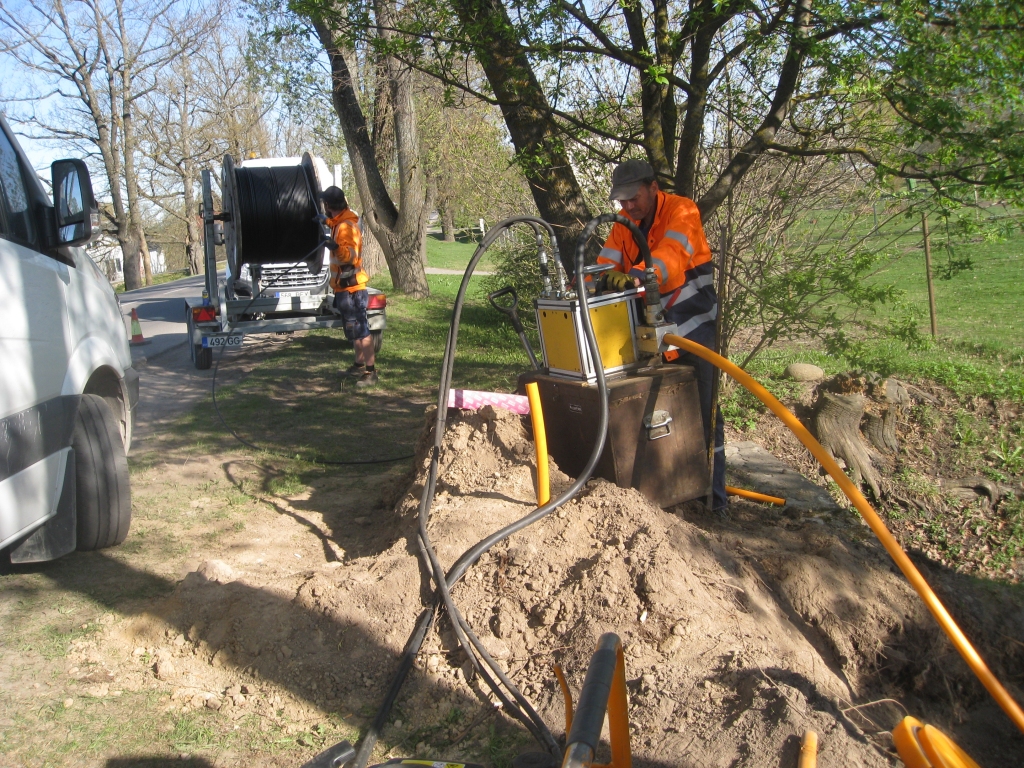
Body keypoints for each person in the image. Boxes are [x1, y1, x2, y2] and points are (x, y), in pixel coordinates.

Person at [598, 159, 727, 513]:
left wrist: (638, 275)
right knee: (655, 416)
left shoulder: (682, 210)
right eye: (621, 201)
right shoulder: (625, 226)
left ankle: (713, 504)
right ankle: (669, 499)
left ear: (653, 187)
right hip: (651, 338)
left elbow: (669, 259)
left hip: (693, 332)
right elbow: (604, 264)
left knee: (703, 417)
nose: (627, 207)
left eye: (633, 198)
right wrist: (585, 283)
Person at [321, 186, 377, 387]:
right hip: (345, 288)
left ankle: (371, 372)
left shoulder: (345, 226)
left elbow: (350, 256)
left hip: (352, 288)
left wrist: (334, 247)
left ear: (328, 205)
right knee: (354, 329)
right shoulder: (340, 221)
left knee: (361, 330)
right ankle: (359, 365)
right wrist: (324, 221)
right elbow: (335, 223)